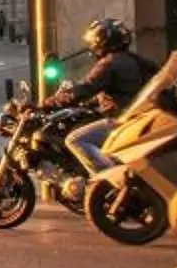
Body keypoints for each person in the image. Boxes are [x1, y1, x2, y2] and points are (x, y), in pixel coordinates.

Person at [51, 18, 153, 176]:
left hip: (122, 121)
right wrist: (92, 101)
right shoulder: (136, 60)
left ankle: (110, 180)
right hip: (139, 119)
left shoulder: (109, 64)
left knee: (75, 140)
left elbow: (85, 87)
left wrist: (50, 102)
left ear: (101, 42)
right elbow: (116, 90)